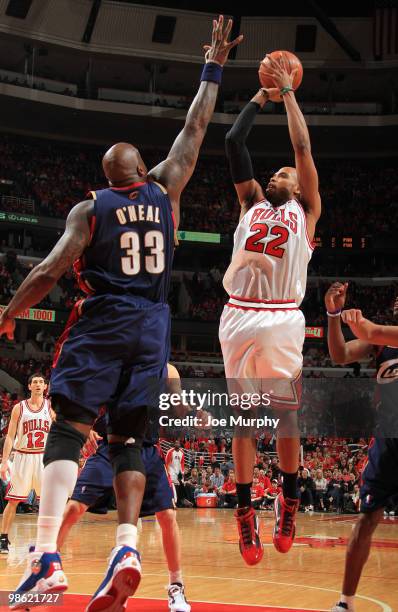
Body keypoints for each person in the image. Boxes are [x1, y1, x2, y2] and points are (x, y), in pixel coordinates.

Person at [0, 16, 242, 608]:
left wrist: (7, 312)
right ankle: (127, 547)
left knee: (69, 428)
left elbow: (49, 272)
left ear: (107, 178)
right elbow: (196, 125)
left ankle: (47, 560)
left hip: (105, 318)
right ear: (143, 170)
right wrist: (212, 63)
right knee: (131, 439)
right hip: (155, 327)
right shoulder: (167, 188)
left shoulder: (91, 209)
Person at [219, 54, 321, 564]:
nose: (277, 174)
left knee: (283, 416)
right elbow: (233, 143)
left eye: (284, 172)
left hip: (282, 315)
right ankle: (243, 512)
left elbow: (301, 145)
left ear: (299, 189)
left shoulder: (306, 211)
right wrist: (261, 95)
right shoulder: (251, 202)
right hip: (237, 312)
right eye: (276, 172)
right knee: (242, 419)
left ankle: (289, 497)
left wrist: (289, 93)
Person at [57, 364, 190, 612]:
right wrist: (82, 428)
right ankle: (46, 568)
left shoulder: (169, 371)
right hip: (108, 446)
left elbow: (179, 412)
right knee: (74, 507)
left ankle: (176, 585)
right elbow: (81, 395)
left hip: (146, 448)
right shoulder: (116, 357)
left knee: (168, 515)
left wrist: (191, 410)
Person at [325, 282, 398, 612]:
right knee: (366, 518)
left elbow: (372, 328)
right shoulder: (381, 347)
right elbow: (339, 354)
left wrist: (357, 321)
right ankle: (346, 602)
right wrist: (332, 316)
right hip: (388, 439)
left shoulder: (385, 334)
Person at [0, 374, 52, 554]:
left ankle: (46, 541)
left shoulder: (51, 408)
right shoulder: (19, 408)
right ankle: (3, 539)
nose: (38, 385)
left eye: (41, 382)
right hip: (23, 457)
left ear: (46, 387)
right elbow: (10, 436)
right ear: (29, 386)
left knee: (46, 503)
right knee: (13, 500)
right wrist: (4, 461)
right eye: (35, 382)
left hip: (43, 458)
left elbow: (59, 435)